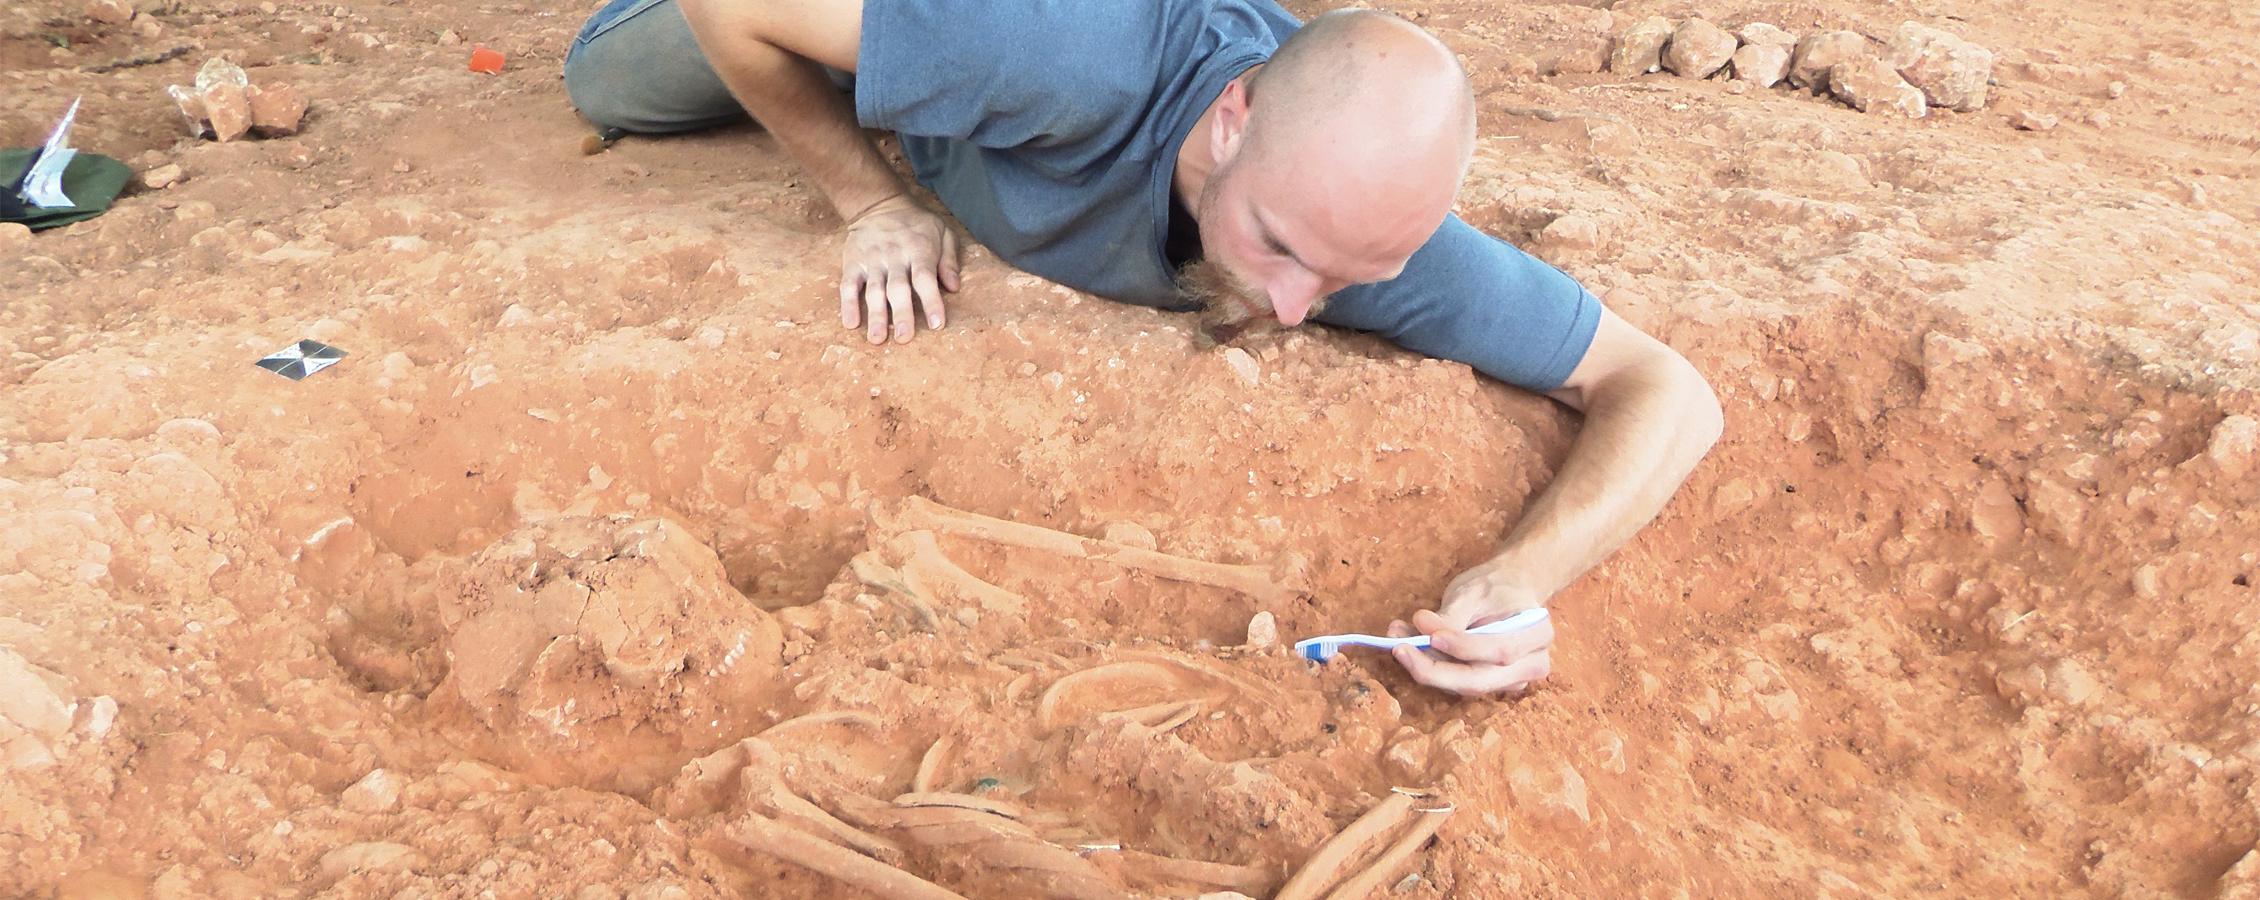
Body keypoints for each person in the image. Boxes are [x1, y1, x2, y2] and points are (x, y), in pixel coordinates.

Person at [562, 0, 1724, 697]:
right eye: (1275, 247)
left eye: (1340, 280)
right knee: (613, 79)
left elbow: (1661, 388)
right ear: (1232, 117)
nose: (1287, 309)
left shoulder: (1352, 225)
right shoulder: (1064, 59)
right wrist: (867, 202)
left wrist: (1525, 579)